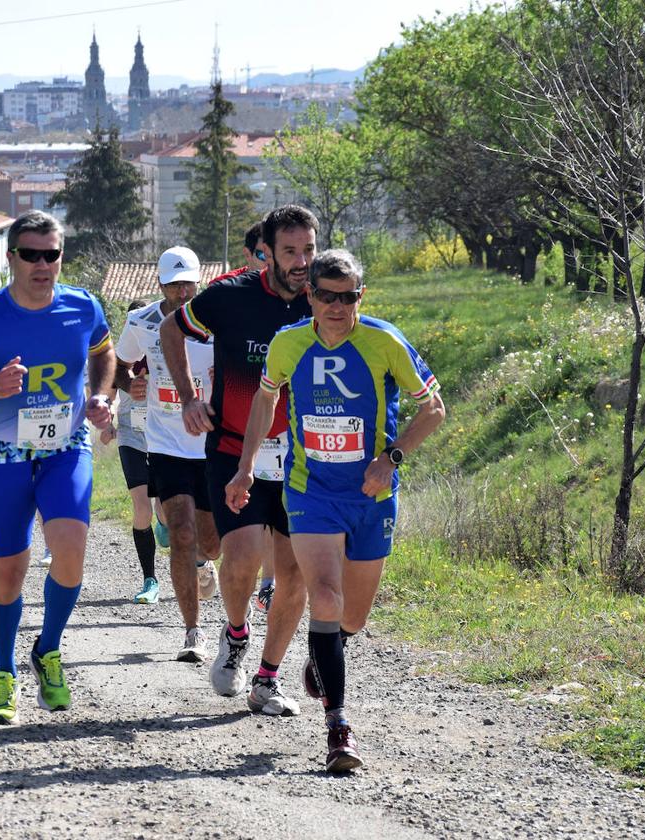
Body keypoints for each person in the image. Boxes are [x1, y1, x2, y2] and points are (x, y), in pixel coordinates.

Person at [226, 248, 445, 772]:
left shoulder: (383, 340)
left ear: (359, 297)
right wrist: (245, 465)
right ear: (311, 296)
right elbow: (264, 399)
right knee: (322, 596)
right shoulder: (288, 343)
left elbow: (433, 408)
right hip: (311, 491)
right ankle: (338, 728)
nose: (337, 307)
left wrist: (390, 459)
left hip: (370, 495)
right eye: (327, 296)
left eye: (347, 297)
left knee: (352, 615)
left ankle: (327, 654)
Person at [0, 210, 114, 725]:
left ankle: (48, 650)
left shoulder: (83, 305)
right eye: (29, 254)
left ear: (61, 256)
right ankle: (4, 673)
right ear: (11, 257)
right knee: (9, 571)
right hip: (1, 455)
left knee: (71, 554)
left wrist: (101, 397)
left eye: (50, 254)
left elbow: (104, 353)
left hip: (65, 447)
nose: (41, 264)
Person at [161, 204, 319, 716]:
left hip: (303, 459)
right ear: (265, 252)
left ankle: (267, 679)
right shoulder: (230, 296)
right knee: (243, 556)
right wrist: (187, 397)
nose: (301, 262)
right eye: (290, 251)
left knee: (294, 574)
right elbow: (171, 330)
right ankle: (235, 632)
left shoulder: (327, 298)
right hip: (233, 449)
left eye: (309, 250)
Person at [115, 247, 221, 664]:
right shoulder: (141, 322)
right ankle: (192, 632)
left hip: (212, 444)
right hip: (165, 443)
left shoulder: (217, 321)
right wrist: (129, 385)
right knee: (179, 529)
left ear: (198, 283)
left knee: (210, 542)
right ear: (160, 285)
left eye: (188, 283)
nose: (182, 291)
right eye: (174, 284)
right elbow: (119, 364)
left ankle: (203, 561)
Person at [209, 223, 275, 612]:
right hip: (232, 429)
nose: (271, 263)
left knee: (270, 517)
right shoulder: (228, 291)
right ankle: (238, 605)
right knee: (224, 539)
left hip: (282, 431)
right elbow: (190, 338)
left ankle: (268, 583)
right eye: (263, 255)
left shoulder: (304, 294)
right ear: (249, 256)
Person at [100, 301, 160, 604]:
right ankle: (150, 579)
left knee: (164, 511)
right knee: (141, 507)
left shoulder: (166, 350)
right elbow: (109, 393)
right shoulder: (121, 360)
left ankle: (167, 530)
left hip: (165, 439)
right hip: (130, 436)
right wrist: (107, 422)